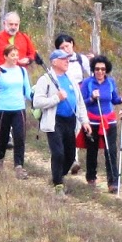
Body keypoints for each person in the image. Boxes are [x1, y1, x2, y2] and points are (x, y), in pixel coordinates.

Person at [0, 12, 38, 160]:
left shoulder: (24, 38)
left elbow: (33, 55)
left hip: (19, 79)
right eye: (10, 24)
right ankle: (4, 142)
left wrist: (27, 61)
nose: (13, 27)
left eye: (16, 24)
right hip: (1, 80)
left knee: (19, 125)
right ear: (4, 24)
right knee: (1, 120)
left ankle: (18, 162)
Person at [33, 49, 83, 198]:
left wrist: (84, 121)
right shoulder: (45, 79)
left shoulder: (71, 79)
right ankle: (58, 185)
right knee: (58, 153)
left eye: (67, 59)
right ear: (54, 62)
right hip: (54, 121)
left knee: (70, 155)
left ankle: (58, 176)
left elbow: (80, 103)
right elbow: (37, 102)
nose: (67, 61)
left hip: (71, 121)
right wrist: (56, 98)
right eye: (63, 59)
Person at [0, 44, 32, 177]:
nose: (15, 58)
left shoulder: (22, 71)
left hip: (19, 108)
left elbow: (27, 91)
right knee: (2, 137)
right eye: (12, 55)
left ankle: (19, 167)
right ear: (5, 56)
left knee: (20, 137)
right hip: (3, 109)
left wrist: (37, 99)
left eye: (17, 55)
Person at [80, 55, 122, 194]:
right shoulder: (87, 82)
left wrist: (121, 100)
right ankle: (91, 178)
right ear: (93, 69)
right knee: (92, 150)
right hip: (92, 121)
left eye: (103, 69)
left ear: (107, 70)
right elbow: (82, 102)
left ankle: (113, 182)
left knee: (110, 150)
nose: (100, 72)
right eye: (97, 69)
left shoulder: (110, 82)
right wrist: (92, 98)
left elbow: (114, 99)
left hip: (109, 121)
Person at [54, 33, 92, 174]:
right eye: (62, 47)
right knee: (68, 129)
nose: (66, 49)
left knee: (77, 127)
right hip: (64, 98)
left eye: (67, 45)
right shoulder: (59, 62)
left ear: (72, 44)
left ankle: (73, 158)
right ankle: (70, 159)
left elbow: (92, 75)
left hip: (80, 97)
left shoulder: (81, 59)